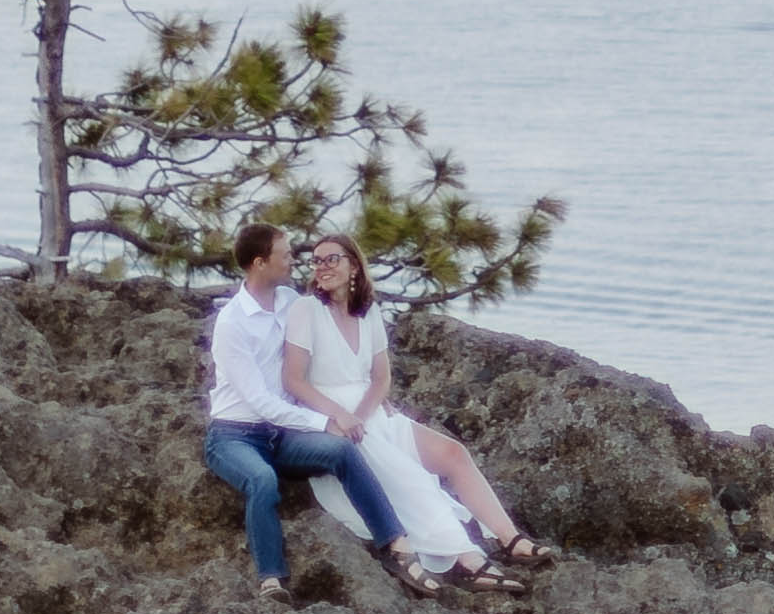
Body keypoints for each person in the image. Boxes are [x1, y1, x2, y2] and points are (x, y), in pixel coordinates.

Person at [298, 236, 539, 591]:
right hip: (331, 417)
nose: (323, 267)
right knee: (411, 478)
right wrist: (340, 416)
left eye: (332, 259)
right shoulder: (306, 311)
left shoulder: (368, 311)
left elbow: (381, 377)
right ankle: (470, 561)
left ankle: (510, 538)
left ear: (353, 264)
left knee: (452, 453)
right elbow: (293, 379)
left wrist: (364, 413)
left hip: (369, 413)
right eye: (316, 261)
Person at [198, 229, 386, 594]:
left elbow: (329, 336)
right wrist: (326, 421)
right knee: (262, 481)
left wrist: (370, 385)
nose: (294, 260)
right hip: (234, 434)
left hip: (280, 436)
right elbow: (261, 402)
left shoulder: (289, 301)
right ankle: (272, 578)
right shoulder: (232, 322)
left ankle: (393, 541)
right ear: (259, 263)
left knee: (343, 450)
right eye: (285, 255)